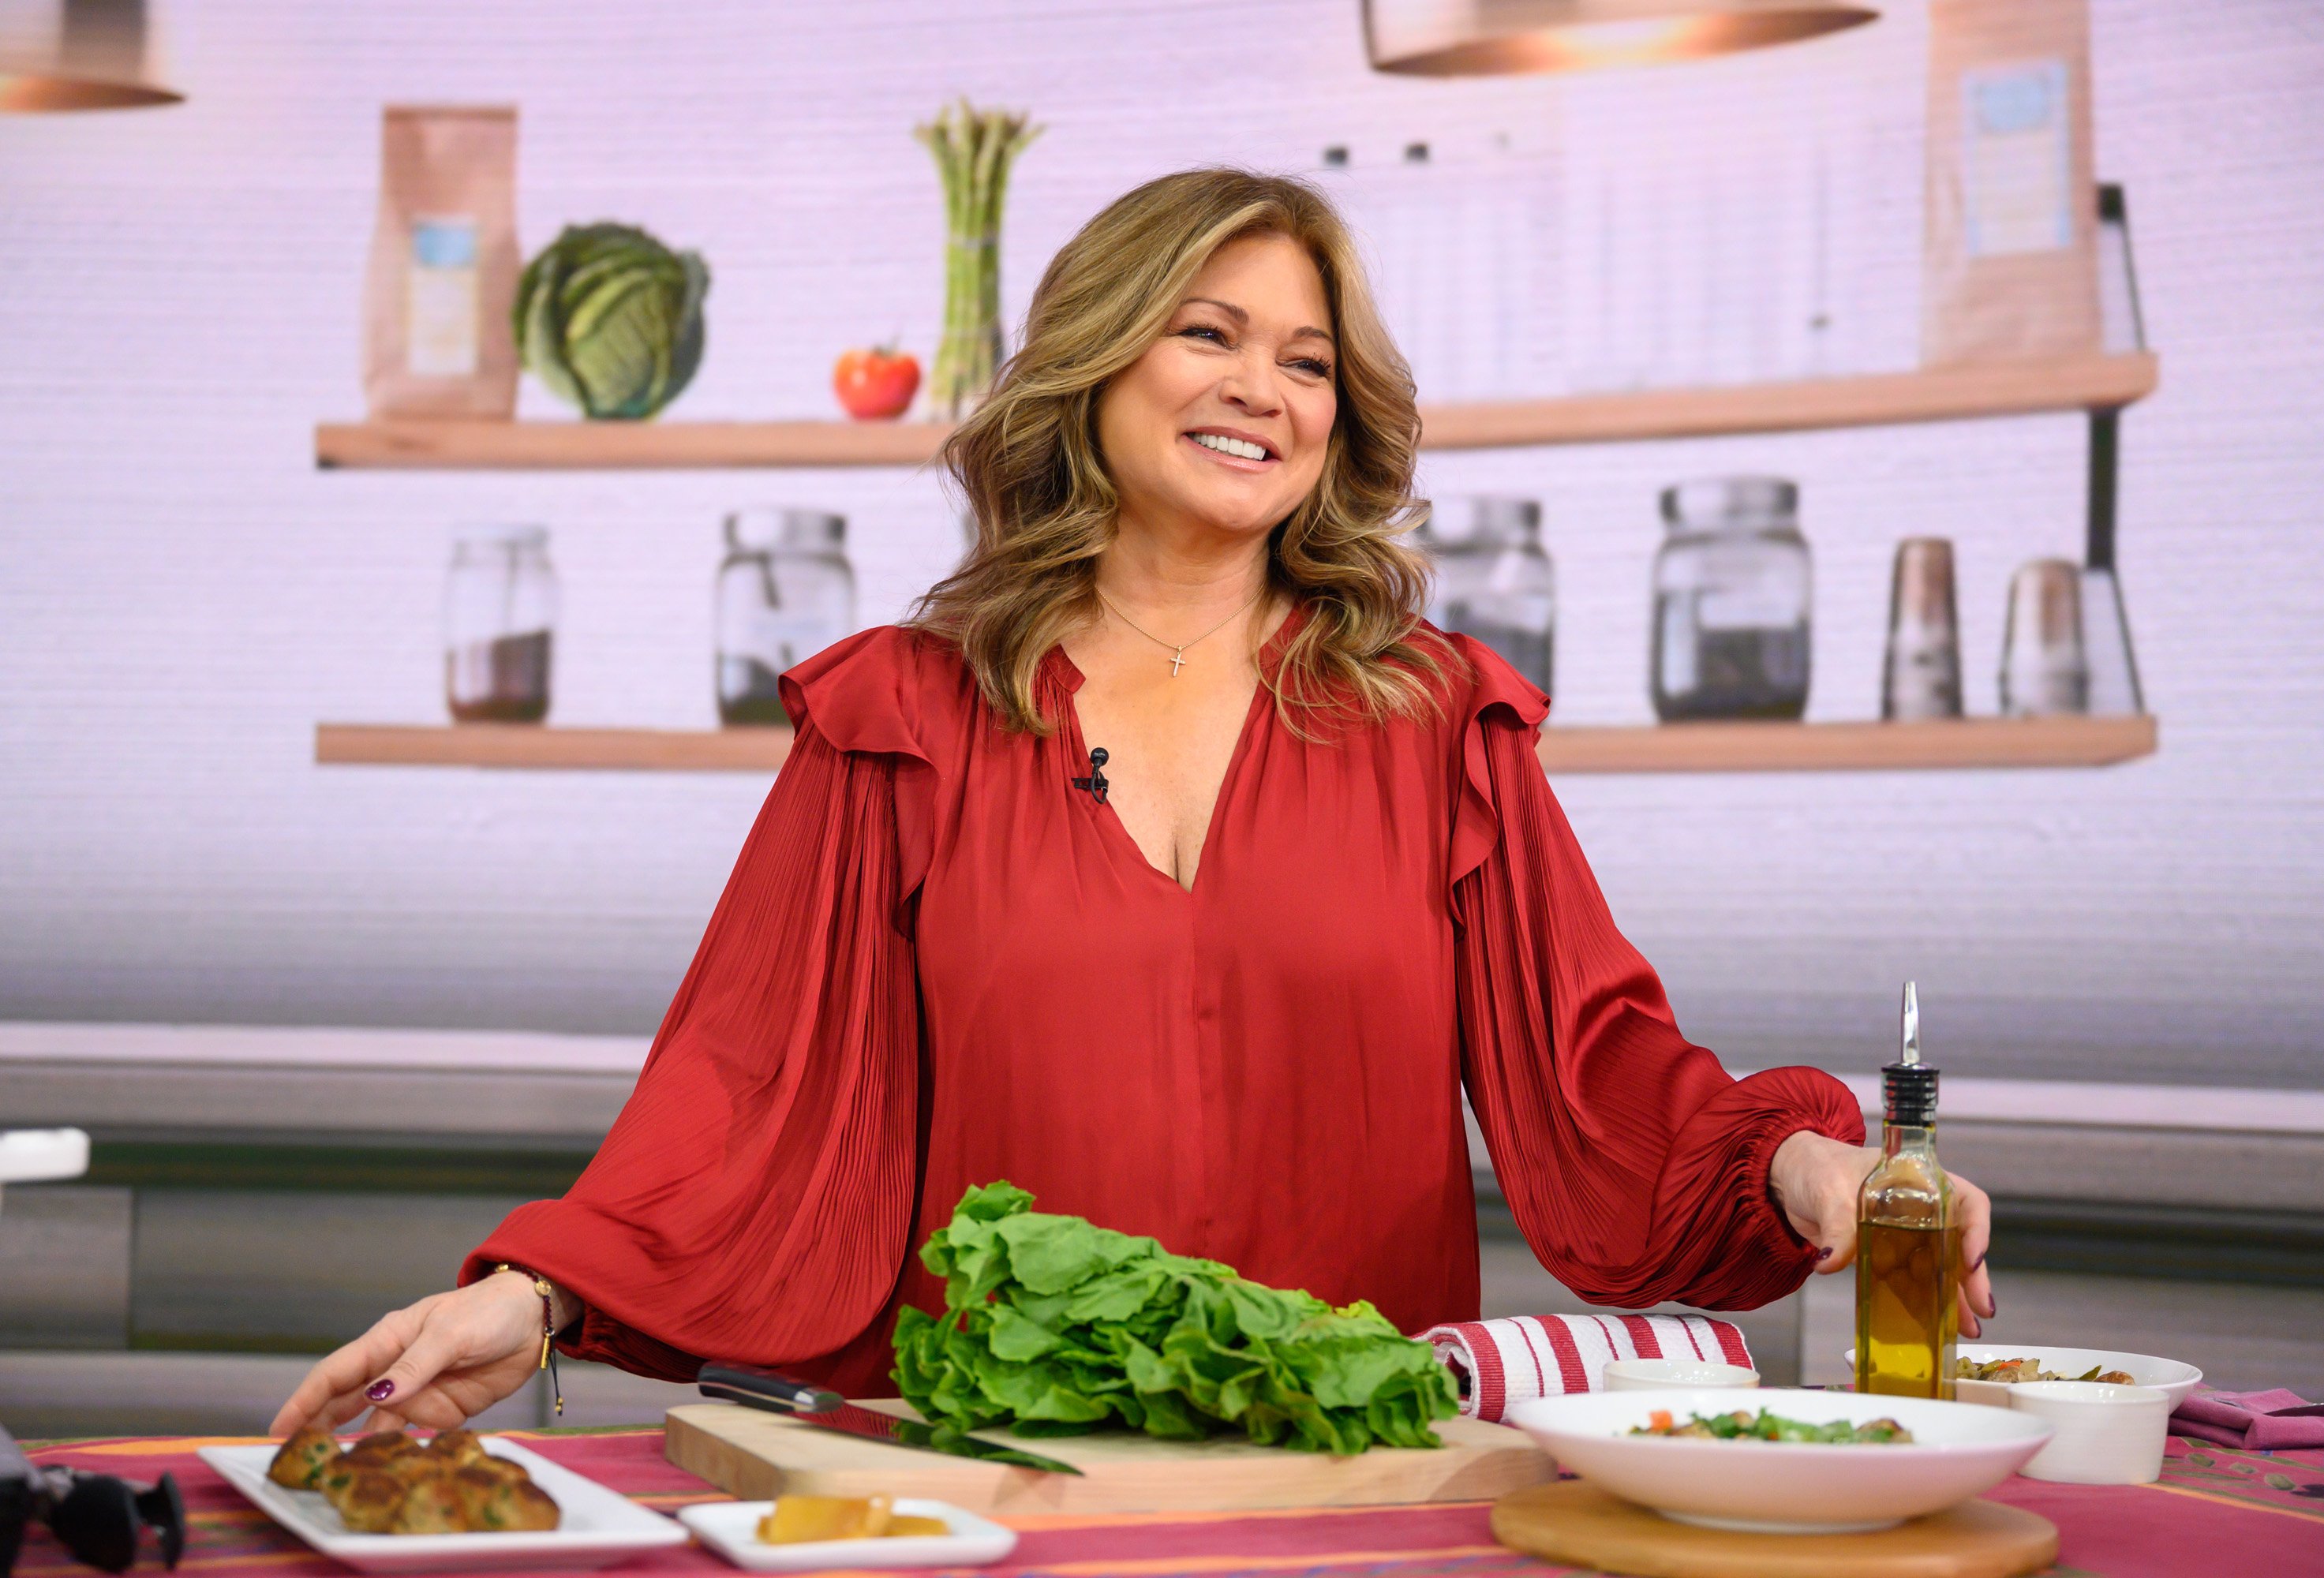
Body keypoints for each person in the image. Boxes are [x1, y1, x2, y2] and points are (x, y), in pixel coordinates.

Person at [272, 169, 1993, 1436]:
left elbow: (1599, 1065)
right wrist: (536, 1298)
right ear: (1093, 365)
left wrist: (1803, 1162)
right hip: (980, 1488)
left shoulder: (1436, 719)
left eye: (1308, 361)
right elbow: (742, 1090)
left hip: (1351, 1486)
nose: (1264, 388)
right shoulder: (900, 717)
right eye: (1209, 333)